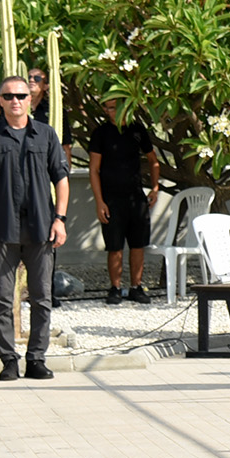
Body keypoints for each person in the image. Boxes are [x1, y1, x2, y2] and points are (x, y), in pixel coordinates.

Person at [0, 73, 71, 380]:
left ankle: (36, 359)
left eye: (21, 96)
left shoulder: (46, 135)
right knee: (1, 300)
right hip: (1, 229)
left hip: (41, 229)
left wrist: (60, 219)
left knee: (42, 299)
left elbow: (61, 179)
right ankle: (9, 360)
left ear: (31, 100)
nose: (15, 101)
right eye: (9, 96)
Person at [85, 97, 159, 304]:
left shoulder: (137, 130)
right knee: (114, 246)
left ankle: (137, 287)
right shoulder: (100, 133)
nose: (112, 111)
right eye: (108, 108)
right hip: (111, 198)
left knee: (138, 245)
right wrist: (100, 201)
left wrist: (155, 187)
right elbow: (94, 169)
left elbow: (153, 161)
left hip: (136, 197)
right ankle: (115, 288)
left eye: (116, 107)